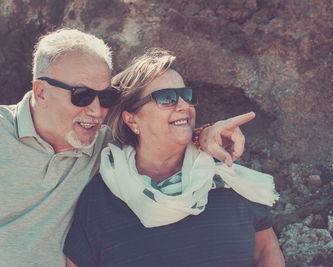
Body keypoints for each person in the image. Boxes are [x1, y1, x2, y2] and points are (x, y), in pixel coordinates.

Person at [0, 28, 253, 266]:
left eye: (106, 97)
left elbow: (156, 133)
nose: (97, 111)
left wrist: (202, 136)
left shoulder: (106, 147)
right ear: (41, 92)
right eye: (82, 96)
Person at [64, 48, 285, 267]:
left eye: (185, 96)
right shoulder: (100, 197)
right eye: (166, 98)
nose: (184, 106)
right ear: (132, 121)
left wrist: (202, 134)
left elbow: (266, 251)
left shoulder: (226, 178)